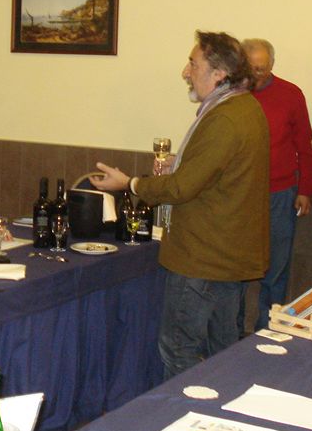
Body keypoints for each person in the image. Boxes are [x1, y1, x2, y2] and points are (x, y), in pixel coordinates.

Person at [91, 31, 269, 379]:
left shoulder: (224, 118)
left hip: (203, 257)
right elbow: (220, 171)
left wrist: (130, 183)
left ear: (219, 74)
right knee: (223, 352)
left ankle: (182, 411)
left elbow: (183, 187)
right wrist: (185, 161)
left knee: (178, 349)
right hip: (227, 255)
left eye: (193, 64)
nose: (185, 72)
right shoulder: (245, 107)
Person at [242, 39, 312, 331]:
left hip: (280, 195)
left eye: (261, 69)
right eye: (251, 68)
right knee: (236, 270)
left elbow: (305, 147)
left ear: (272, 65)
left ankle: (268, 330)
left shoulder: (291, 94)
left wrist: (305, 189)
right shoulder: (232, 94)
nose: (256, 75)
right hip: (240, 195)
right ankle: (232, 333)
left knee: (276, 271)